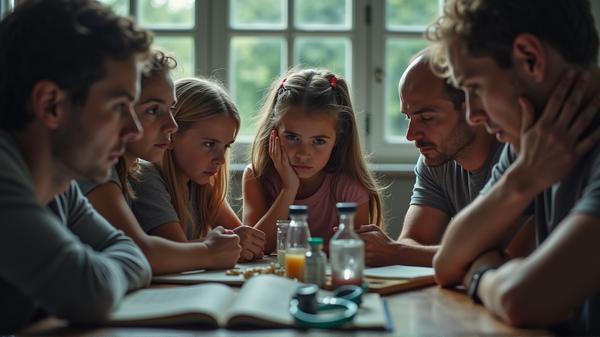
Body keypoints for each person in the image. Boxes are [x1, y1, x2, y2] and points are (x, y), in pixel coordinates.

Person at [426, 0, 600, 333]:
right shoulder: (530, 142)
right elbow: (447, 264)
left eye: (475, 88)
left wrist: (480, 274)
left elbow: (523, 300)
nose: (473, 115)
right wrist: (520, 182)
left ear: (530, 59)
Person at [0, 0, 153, 332]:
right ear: (51, 105)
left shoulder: (61, 189)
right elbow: (90, 292)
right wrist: (100, 273)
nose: (134, 131)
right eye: (118, 106)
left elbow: (130, 251)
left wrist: (101, 271)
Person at [356, 48, 535, 267]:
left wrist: (396, 253)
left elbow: (508, 262)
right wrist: (402, 251)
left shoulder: (521, 156)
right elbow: (413, 241)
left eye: (427, 117)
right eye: (408, 117)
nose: (411, 134)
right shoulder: (436, 158)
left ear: (471, 108)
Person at [78, 50, 242, 274]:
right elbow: (140, 252)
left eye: (171, 110)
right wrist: (210, 251)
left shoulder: (121, 174)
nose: (172, 126)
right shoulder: (97, 171)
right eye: (154, 110)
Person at [243, 68, 386, 254]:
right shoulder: (257, 176)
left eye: (318, 141)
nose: (303, 154)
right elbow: (254, 249)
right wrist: (289, 189)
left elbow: (357, 255)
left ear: (338, 139)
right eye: (293, 138)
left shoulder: (350, 186)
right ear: (274, 133)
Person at [132, 77, 265, 263]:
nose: (220, 160)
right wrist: (235, 242)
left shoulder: (201, 184)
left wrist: (287, 190)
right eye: (209, 144)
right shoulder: (146, 177)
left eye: (226, 146)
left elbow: (248, 241)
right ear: (172, 135)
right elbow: (177, 253)